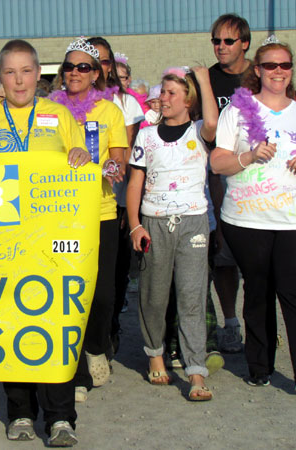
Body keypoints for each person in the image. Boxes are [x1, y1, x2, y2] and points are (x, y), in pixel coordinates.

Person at [0, 38, 90, 447]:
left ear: (38, 74)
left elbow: (81, 158)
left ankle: (60, 416)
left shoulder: (59, 114)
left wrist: (80, 158)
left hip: (50, 241)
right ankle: (19, 412)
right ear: (0, 77)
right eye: (10, 72)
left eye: (26, 71)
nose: (19, 80)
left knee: (55, 322)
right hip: (0, 240)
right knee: (11, 322)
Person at [210, 36, 296, 394]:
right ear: (258, 70)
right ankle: (259, 365)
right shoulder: (237, 110)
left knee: (295, 291)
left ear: (291, 71)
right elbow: (218, 161)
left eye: (285, 65)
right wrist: (248, 157)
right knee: (259, 291)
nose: (278, 72)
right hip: (248, 218)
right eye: (271, 65)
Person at [126, 65, 218, 401]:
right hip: (154, 223)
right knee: (154, 294)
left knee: (192, 296)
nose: (163, 98)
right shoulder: (146, 135)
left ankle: (196, 371)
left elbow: (212, 123)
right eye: (162, 92)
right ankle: (155, 353)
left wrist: (205, 80)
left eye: (170, 93)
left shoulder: (199, 131)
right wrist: (135, 225)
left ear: (188, 101)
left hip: (193, 221)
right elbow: (135, 182)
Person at [50, 36, 127, 398]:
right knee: (66, 292)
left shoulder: (110, 111)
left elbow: (119, 157)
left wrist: (110, 167)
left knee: (103, 294)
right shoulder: (48, 110)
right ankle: (75, 365)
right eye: (69, 66)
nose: (75, 73)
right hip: (58, 214)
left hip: (100, 210)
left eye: (84, 67)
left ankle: (96, 345)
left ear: (97, 73)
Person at [86, 37, 141, 357]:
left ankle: (110, 330)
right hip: (78, 201)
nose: (102, 67)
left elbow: (131, 157)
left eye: (106, 61)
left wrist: (129, 205)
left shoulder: (125, 103)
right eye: (97, 62)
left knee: (114, 274)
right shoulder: (67, 102)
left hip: (117, 198)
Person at [208, 13, 253, 353]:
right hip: (217, 176)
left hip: (258, 177)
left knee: (258, 260)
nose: (220, 47)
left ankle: (259, 327)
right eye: (216, 41)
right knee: (224, 258)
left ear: (245, 44)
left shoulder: (262, 75)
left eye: (228, 41)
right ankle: (230, 323)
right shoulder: (208, 80)